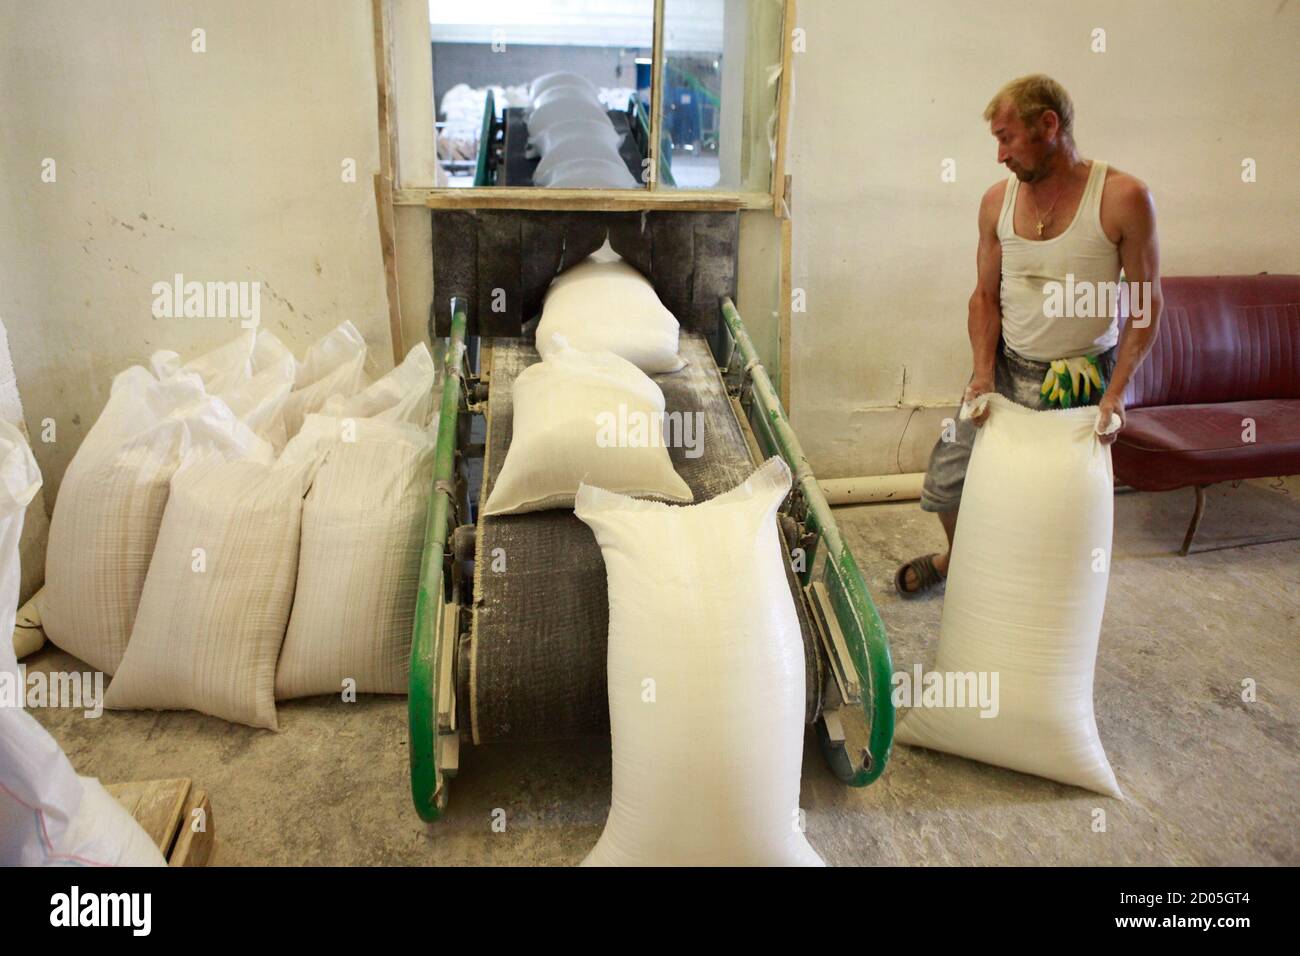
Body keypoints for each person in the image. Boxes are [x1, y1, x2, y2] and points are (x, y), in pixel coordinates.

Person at [896, 74, 1163, 597]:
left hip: (1080, 377)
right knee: (947, 485)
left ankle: (1034, 597)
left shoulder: (1122, 197)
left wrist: (1117, 394)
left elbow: (1145, 305)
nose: (999, 155)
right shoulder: (997, 201)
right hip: (1005, 364)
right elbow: (984, 298)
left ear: (1049, 125)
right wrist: (980, 374)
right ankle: (959, 562)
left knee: (1050, 506)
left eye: (1006, 137)